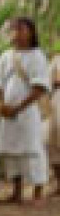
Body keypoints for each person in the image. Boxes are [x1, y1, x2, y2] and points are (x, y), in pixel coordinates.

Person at [0, 16, 50, 205]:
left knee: (32, 150)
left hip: (27, 112)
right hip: (8, 112)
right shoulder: (5, 56)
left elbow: (40, 87)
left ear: (31, 32)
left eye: (22, 29)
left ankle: (37, 192)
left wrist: (18, 107)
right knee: (11, 151)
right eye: (13, 29)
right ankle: (16, 191)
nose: (17, 34)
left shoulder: (37, 55)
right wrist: (2, 105)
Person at [48, 50, 60, 194]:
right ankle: (59, 184)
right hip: (56, 102)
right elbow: (48, 81)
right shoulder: (56, 60)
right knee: (53, 141)